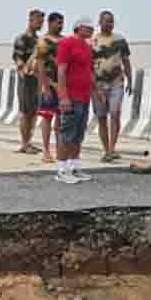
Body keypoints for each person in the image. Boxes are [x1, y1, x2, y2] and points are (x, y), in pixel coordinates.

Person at [54, 19, 98, 183]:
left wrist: (96, 90)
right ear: (79, 28)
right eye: (88, 27)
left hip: (84, 97)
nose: (92, 29)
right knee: (66, 133)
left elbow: (88, 71)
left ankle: (75, 167)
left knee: (78, 134)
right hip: (71, 97)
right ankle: (62, 170)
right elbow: (61, 71)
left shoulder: (87, 47)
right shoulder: (66, 44)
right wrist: (64, 96)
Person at [90, 10, 133, 162]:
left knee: (115, 113)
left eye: (111, 21)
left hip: (116, 82)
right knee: (101, 117)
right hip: (98, 85)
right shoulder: (92, 41)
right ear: (99, 22)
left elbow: (126, 61)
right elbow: (88, 66)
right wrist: (94, 86)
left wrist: (130, 80)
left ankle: (112, 148)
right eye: (106, 21)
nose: (109, 24)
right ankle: (106, 149)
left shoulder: (120, 40)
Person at [32, 12, 66, 164]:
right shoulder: (43, 41)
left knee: (61, 118)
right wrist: (45, 86)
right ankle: (46, 150)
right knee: (47, 117)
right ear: (50, 23)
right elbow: (39, 64)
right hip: (49, 84)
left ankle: (60, 150)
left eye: (62, 23)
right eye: (58, 23)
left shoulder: (65, 40)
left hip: (62, 85)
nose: (60, 25)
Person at [12, 9, 44, 154]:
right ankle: (24, 144)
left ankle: (29, 142)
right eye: (38, 21)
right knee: (25, 112)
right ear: (30, 20)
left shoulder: (38, 40)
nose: (40, 24)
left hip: (36, 80)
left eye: (42, 21)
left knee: (33, 112)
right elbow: (18, 59)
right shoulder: (22, 38)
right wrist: (23, 70)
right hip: (26, 79)